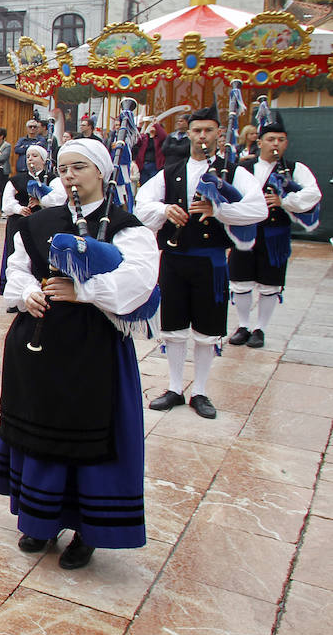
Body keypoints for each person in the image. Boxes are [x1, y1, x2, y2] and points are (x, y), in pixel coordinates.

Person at [0, 139, 158, 570]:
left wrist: (82, 291)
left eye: (79, 167)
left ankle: (88, 528)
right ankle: (39, 520)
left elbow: (139, 280)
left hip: (94, 350)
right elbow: (17, 269)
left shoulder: (126, 226)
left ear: (101, 173)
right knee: (40, 431)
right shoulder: (40, 222)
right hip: (41, 344)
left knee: (88, 438)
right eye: (64, 168)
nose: (69, 176)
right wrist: (29, 294)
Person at [136, 105, 267, 418]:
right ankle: (175, 387)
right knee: (175, 326)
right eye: (197, 131)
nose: (202, 136)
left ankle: (201, 391)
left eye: (208, 130)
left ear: (218, 134)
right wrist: (165, 210)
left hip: (211, 263)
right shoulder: (171, 171)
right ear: (189, 133)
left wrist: (219, 211)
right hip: (174, 260)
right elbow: (141, 205)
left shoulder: (232, 171)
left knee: (207, 330)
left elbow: (258, 209)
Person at [227, 113, 322, 349]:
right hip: (245, 233)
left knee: (270, 283)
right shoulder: (244, 167)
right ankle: (244, 325)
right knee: (240, 279)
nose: (276, 144)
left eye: (281, 139)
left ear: (286, 143)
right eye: (271, 139)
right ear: (260, 142)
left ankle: (260, 329)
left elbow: (313, 194)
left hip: (275, 235)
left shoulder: (294, 168)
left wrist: (284, 201)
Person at [0, 142, 55, 295]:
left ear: (43, 160)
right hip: (19, 222)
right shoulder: (17, 180)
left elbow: (58, 199)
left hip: (43, 223)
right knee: (15, 256)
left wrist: (41, 201)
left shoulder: (52, 179)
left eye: (35, 156)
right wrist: (19, 209)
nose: (30, 159)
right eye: (28, 156)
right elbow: (7, 202)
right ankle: (14, 291)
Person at [134, 117, 168, 186]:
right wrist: (139, 127)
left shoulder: (159, 139)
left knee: (154, 185)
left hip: (155, 166)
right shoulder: (144, 137)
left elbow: (163, 136)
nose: (151, 127)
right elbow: (135, 139)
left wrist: (156, 124)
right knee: (144, 185)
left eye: (154, 126)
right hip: (143, 166)